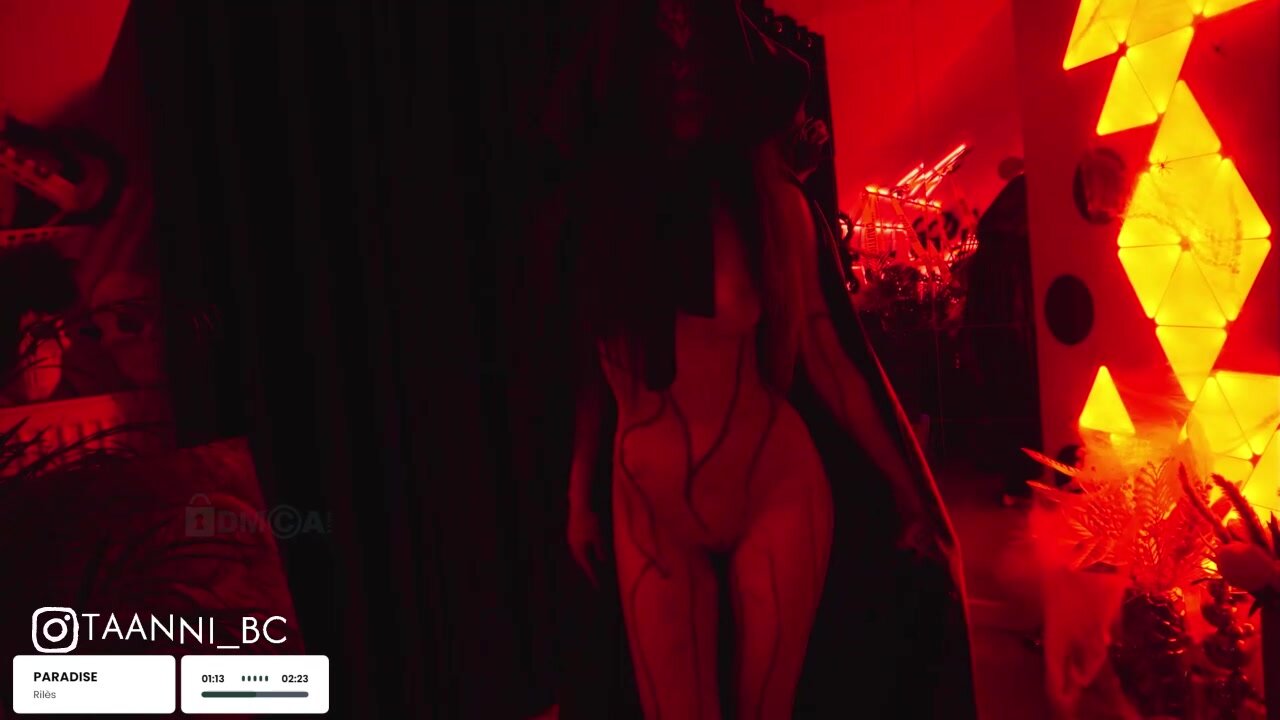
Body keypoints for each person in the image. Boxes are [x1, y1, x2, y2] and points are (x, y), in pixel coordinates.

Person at [549, 2, 975, 717]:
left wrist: (909, 491)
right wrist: (576, 496)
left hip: (772, 484)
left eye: (695, 54)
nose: (683, 77)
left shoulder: (770, 205)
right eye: (664, 55)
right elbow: (588, 370)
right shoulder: (593, 223)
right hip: (647, 503)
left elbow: (832, 360)